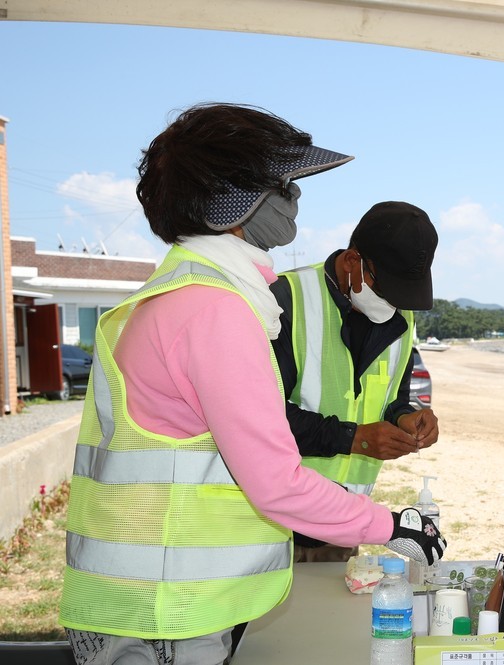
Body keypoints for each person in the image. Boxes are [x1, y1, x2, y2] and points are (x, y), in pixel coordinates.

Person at [58, 103, 446, 665]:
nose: (296, 199)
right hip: (166, 608)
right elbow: (276, 483)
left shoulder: (182, 293)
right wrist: (394, 524)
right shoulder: (214, 310)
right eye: (284, 184)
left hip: (145, 599)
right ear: (234, 202)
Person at [270, 201, 440, 562]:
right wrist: (356, 439)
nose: (392, 305)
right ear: (352, 261)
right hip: (274, 523)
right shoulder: (285, 300)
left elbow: (393, 398)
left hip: (342, 523)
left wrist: (406, 416)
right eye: (386, 289)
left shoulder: (402, 318)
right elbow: (261, 418)